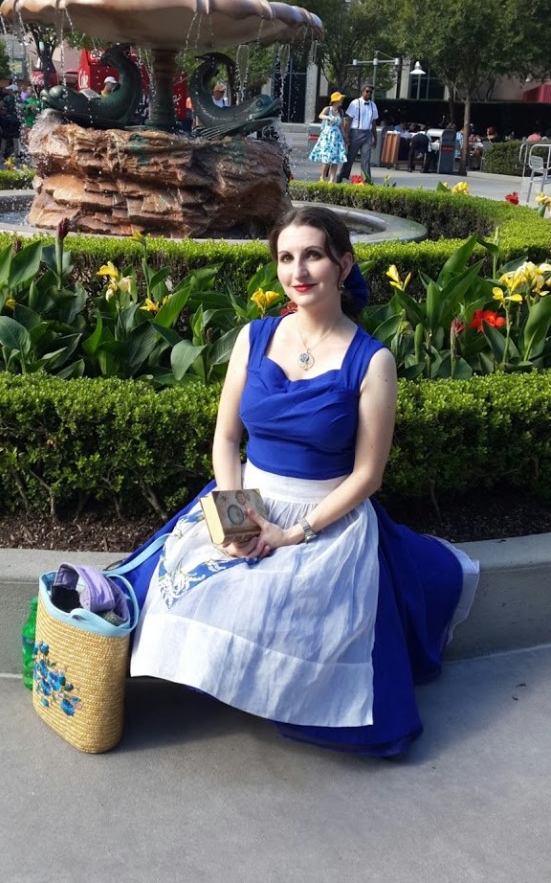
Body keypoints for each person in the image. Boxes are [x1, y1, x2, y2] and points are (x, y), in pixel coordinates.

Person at [123, 205, 479, 758]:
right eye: (286, 258)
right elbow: (225, 441)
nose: (298, 271)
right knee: (173, 597)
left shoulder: (372, 361)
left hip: (325, 517)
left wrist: (295, 534)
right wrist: (235, 519)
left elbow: (368, 474)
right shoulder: (254, 337)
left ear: (343, 263)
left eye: (312, 255)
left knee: (296, 617)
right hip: (243, 500)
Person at [336, 84, 379, 185]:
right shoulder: (355, 103)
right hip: (355, 132)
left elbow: (373, 122)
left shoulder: (373, 105)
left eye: (370, 92)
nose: (368, 94)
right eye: (367, 91)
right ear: (362, 91)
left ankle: (366, 180)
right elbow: (349, 120)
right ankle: (341, 176)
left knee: (366, 158)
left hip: (367, 134)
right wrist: (346, 136)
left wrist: (375, 137)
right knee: (350, 157)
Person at [308, 92, 348, 182]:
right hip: (328, 135)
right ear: (335, 100)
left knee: (335, 159)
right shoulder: (328, 109)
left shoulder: (341, 112)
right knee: (326, 158)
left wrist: (345, 136)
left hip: (337, 136)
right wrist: (327, 117)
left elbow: (341, 125)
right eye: (340, 99)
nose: (342, 100)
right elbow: (320, 115)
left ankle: (331, 180)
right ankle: (322, 177)